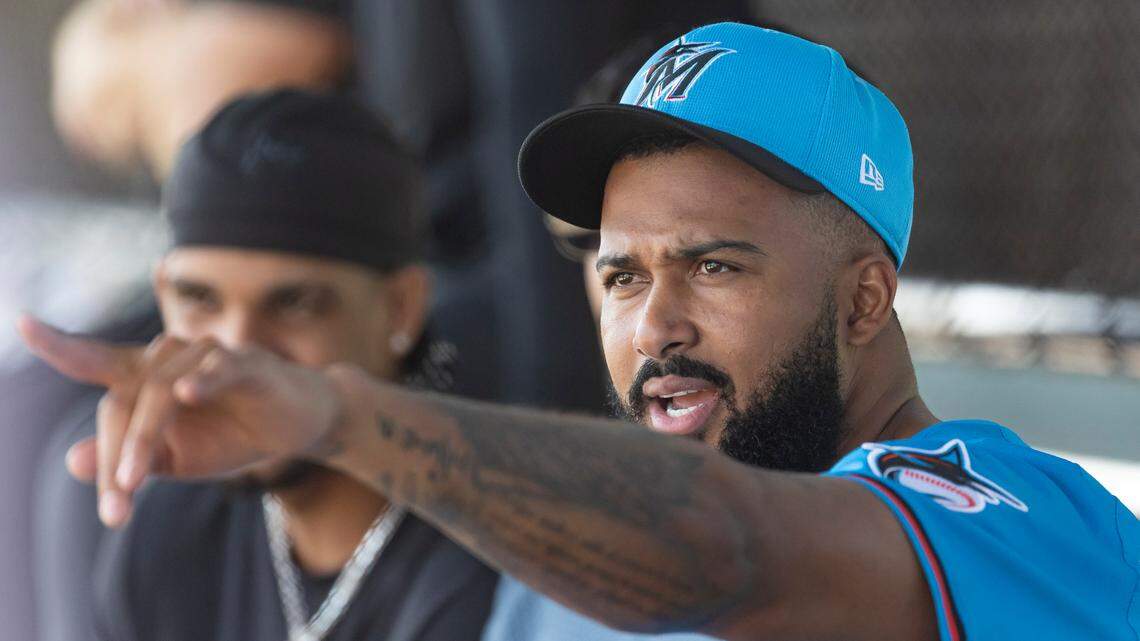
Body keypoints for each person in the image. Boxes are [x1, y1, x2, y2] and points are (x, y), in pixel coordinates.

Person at [21, 23, 1138, 641]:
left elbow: (731, 548)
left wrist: (339, 412)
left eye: (713, 265)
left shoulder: (1017, 507)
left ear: (862, 296)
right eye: (619, 274)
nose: (654, 322)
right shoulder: (572, 595)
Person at [45, 89, 497, 641]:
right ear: (162, 296)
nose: (235, 349)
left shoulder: (494, 546)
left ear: (400, 307)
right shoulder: (168, 528)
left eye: (294, 304)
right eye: (200, 299)